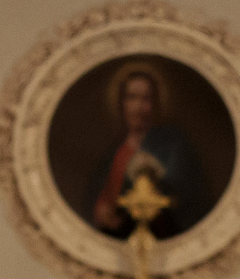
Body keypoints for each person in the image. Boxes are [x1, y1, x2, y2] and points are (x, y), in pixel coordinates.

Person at [85, 65, 210, 239]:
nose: (139, 107)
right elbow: (99, 198)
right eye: (132, 97)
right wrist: (101, 212)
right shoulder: (114, 153)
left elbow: (189, 197)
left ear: (155, 104)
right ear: (121, 103)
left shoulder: (172, 143)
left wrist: (157, 177)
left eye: (146, 99)